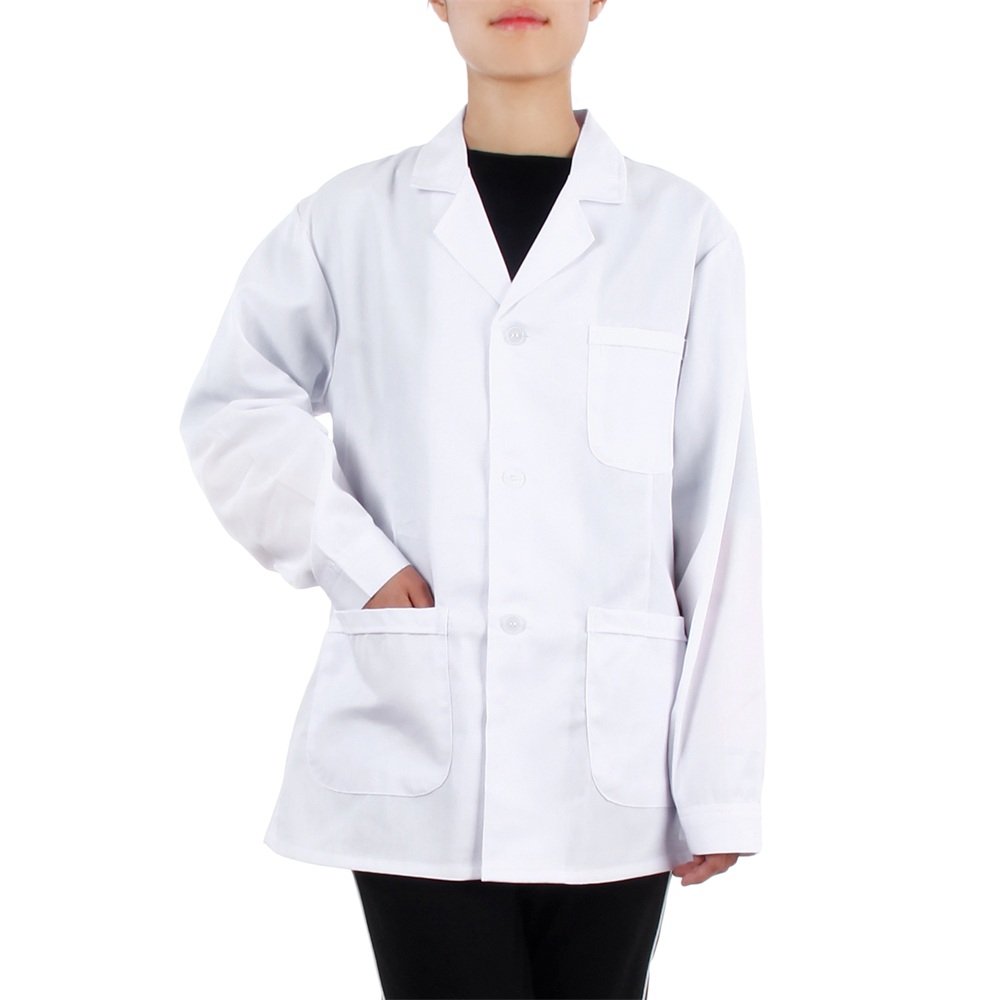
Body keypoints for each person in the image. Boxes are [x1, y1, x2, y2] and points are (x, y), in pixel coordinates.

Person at [178, 1, 766, 997]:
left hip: (614, 763)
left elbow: (718, 513)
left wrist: (720, 777)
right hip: (418, 747)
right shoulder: (349, 221)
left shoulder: (682, 232)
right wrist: (358, 561)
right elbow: (234, 404)